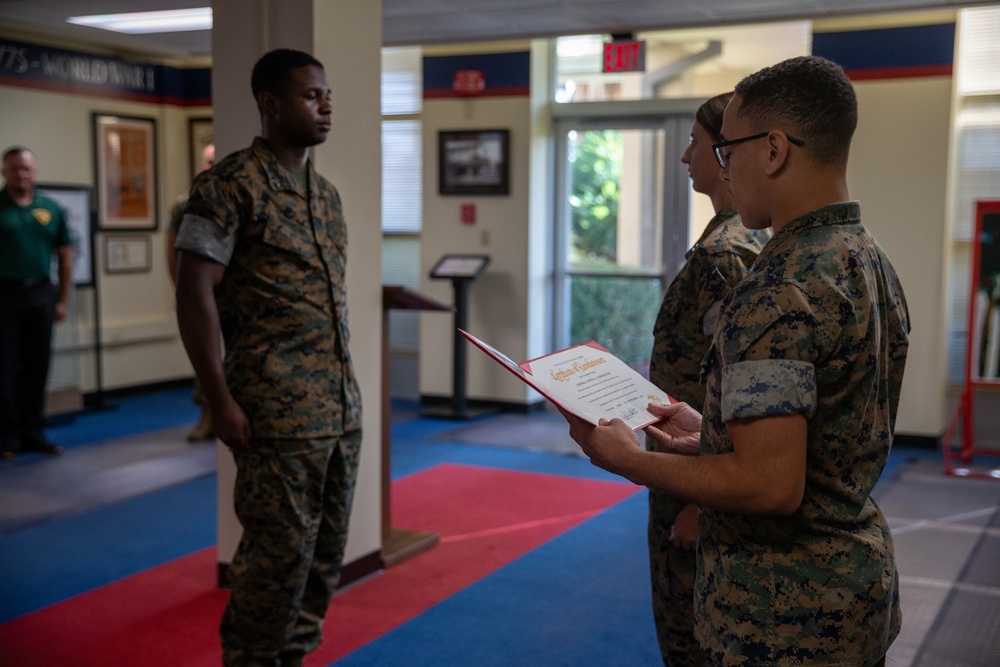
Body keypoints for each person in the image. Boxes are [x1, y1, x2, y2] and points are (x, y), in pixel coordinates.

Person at [563, 55, 909, 666]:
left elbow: (768, 484)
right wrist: (712, 433)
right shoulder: (863, 256)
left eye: (730, 151)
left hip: (783, 615)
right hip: (851, 590)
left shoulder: (781, 284)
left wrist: (627, 461)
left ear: (773, 150)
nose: (726, 167)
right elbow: (821, 438)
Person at [174, 49, 363, 667]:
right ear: (270, 104)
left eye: (328, 94)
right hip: (276, 417)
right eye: (312, 96)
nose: (326, 106)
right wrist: (219, 399)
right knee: (274, 563)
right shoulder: (230, 185)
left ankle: (294, 656)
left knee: (322, 559)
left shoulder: (326, 196)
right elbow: (193, 290)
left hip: (338, 411)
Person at [646, 92, 769, 667]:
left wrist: (701, 505)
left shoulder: (725, 254)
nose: (684, 157)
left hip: (700, 477)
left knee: (690, 638)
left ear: (724, 156)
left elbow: (735, 384)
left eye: (694, 143)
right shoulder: (731, 241)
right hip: (694, 465)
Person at [0, 147, 73, 459]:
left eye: (26, 169)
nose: (21, 174)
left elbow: (65, 255)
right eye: (14, 169)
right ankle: (7, 436)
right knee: (4, 368)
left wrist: (62, 299)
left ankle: (33, 432)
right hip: (4, 294)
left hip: (42, 294)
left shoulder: (50, 208)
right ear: (4, 172)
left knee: (37, 365)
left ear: (35, 172)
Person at [167, 143, 215, 441]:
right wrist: (183, 291)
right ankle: (207, 416)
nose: (212, 167)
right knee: (205, 357)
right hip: (200, 293)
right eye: (208, 162)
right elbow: (172, 250)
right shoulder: (185, 205)